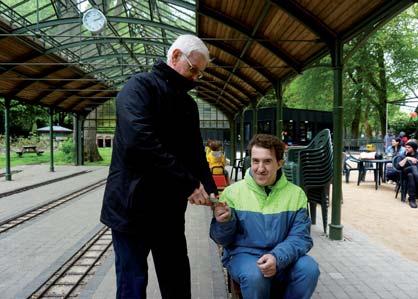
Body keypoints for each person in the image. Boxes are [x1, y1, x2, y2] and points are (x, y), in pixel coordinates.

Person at [100, 34, 218, 299]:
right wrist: (188, 183)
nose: (195, 78)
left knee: (176, 277)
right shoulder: (138, 87)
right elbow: (139, 142)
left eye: (199, 73)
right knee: (132, 282)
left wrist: (212, 189)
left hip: (168, 210)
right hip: (131, 207)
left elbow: (194, 152)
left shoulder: (188, 105)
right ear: (175, 56)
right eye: (193, 69)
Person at [210, 134, 320, 299]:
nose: (260, 168)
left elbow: (301, 237)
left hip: (283, 255)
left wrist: (277, 258)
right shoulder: (232, 193)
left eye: (267, 161)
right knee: (255, 276)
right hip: (244, 255)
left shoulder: (296, 195)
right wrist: (224, 222)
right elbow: (223, 241)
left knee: (309, 269)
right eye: (256, 161)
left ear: (279, 164)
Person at [398, 140, 418, 208]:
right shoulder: (403, 155)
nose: (406, 148)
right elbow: (399, 167)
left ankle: (412, 199)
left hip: (412, 175)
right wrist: (407, 158)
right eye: (406, 147)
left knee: (411, 175)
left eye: (409, 147)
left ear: (414, 148)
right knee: (413, 168)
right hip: (404, 172)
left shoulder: (417, 155)